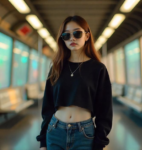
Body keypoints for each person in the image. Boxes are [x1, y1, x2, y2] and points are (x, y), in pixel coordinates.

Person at [36, 15, 113, 150]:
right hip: (55, 131)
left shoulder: (98, 69)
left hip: (84, 134)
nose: (72, 38)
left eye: (77, 33)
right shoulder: (56, 67)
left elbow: (105, 110)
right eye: (66, 35)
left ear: (87, 36)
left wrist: (100, 143)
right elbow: (47, 107)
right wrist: (43, 142)